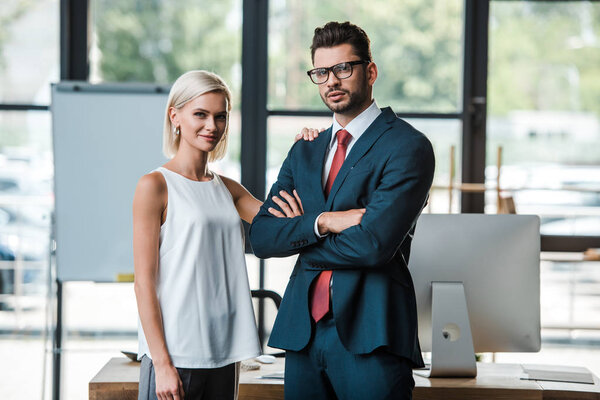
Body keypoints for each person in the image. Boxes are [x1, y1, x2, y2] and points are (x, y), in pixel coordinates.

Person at [249, 21, 435, 400]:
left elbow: (372, 245)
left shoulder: (406, 147)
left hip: (371, 336)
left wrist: (299, 236)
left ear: (371, 71)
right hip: (303, 334)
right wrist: (322, 223)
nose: (331, 80)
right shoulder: (305, 150)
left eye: (343, 68)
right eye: (321, 72)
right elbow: (263, 237)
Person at [133, 70, 312, 400]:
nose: (211, 126)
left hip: (223, 353)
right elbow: (144, 282)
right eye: (200, 114)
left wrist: (304, 154)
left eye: (220, 116)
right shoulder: (155, 186)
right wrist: (162, 364)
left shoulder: (227, 189)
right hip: (177, 355)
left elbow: (280, 223)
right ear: (176, 116)